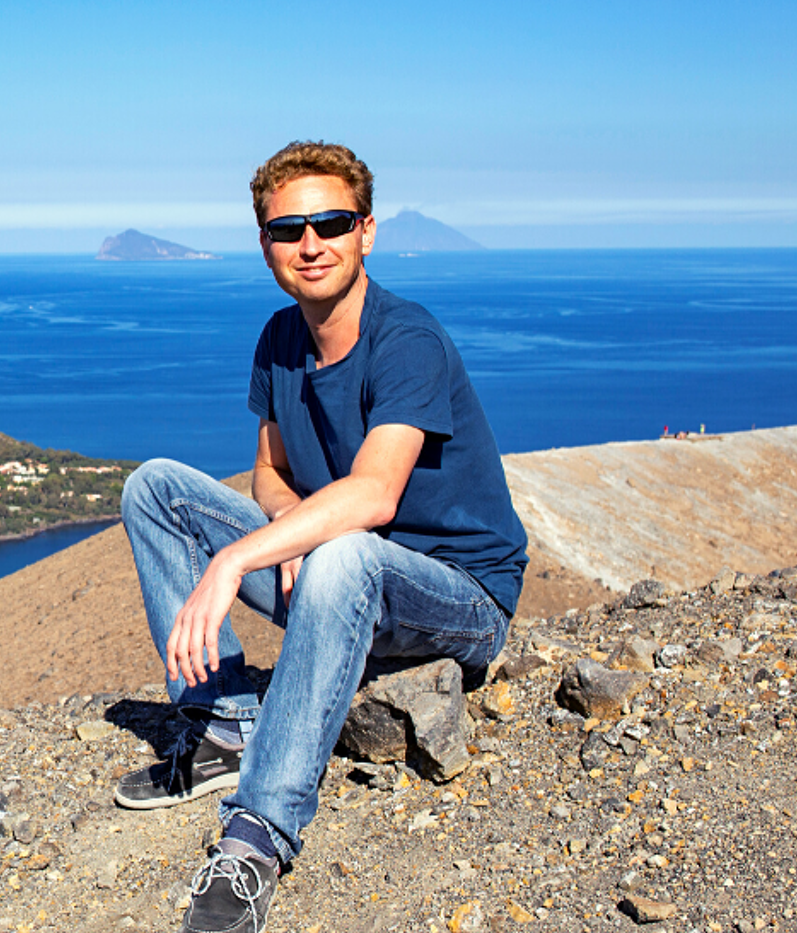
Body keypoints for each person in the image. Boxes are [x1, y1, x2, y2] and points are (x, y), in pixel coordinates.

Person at [113, 141, 529, 933]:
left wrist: (241, 557)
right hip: (337, 570)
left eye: (331, 222)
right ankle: (223, 727)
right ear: (265, 243)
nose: (310, 244)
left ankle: (258, 837)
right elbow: (270, 472)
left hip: (458, 595)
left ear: (366, 231)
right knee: (155, 487)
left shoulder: (407, 340)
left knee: (344, 548)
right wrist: (286, 530)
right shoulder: (279, 339)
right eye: (287, 228)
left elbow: (372, 496)